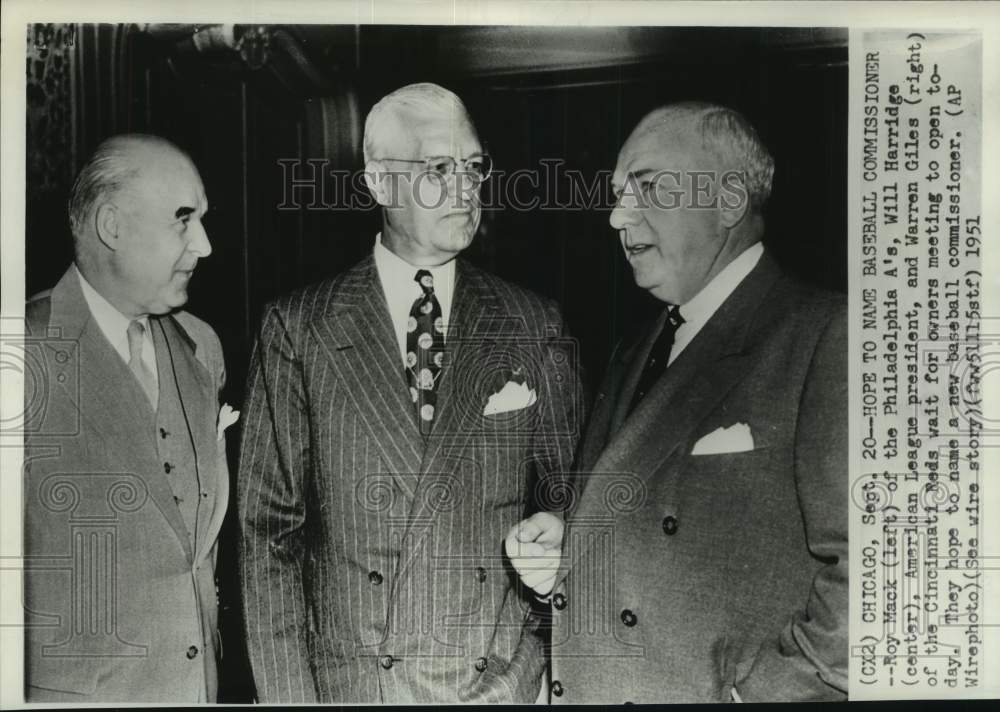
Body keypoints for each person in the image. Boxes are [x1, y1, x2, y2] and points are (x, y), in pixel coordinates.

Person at [237, 82, 580, 703]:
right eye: (439, 168)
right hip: (357, 688)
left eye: (474, 167)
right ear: (378, 183)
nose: (466, 186)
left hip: (496, 684)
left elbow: (575, 496)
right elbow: (268, 537)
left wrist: (556, 529)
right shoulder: (299, 326)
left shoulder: (533, 322)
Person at [507, 101, 848, 703]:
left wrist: (769, 695)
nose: (616, 216)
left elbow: (879, 573)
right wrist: (567, 547)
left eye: (646, 187)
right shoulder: (636, 346)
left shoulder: (827, 335)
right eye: (617, 194)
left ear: (729, 200)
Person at [23, 134, 230, 702]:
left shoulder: (201, 348)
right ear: (112, 227)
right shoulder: (22, 352)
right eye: (183, 220)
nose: (205, 245)